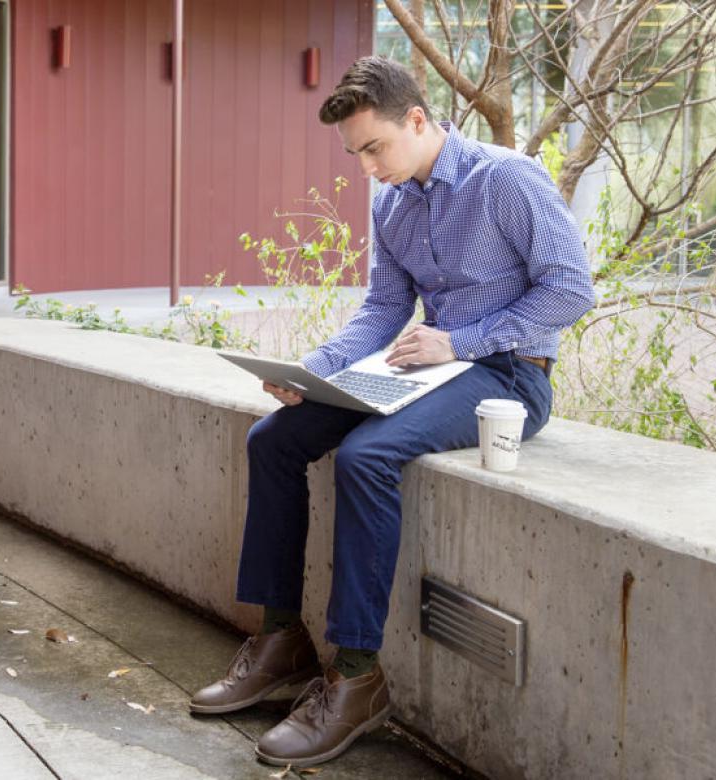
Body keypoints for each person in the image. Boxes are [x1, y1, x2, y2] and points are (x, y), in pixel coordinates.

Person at [188, 56, 596, 768]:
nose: (367, 168)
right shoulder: (391, 199)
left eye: (374, 147)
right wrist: (314, 370)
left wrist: (458, 341)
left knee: (367, 456)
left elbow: (570, 290)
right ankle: (282, 640)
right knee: (273, 440)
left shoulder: (505, 179)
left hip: (507, 376)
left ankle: (356, 679)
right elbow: (382, 309)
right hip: (419, 370)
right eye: (355, 155)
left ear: (417, 120)